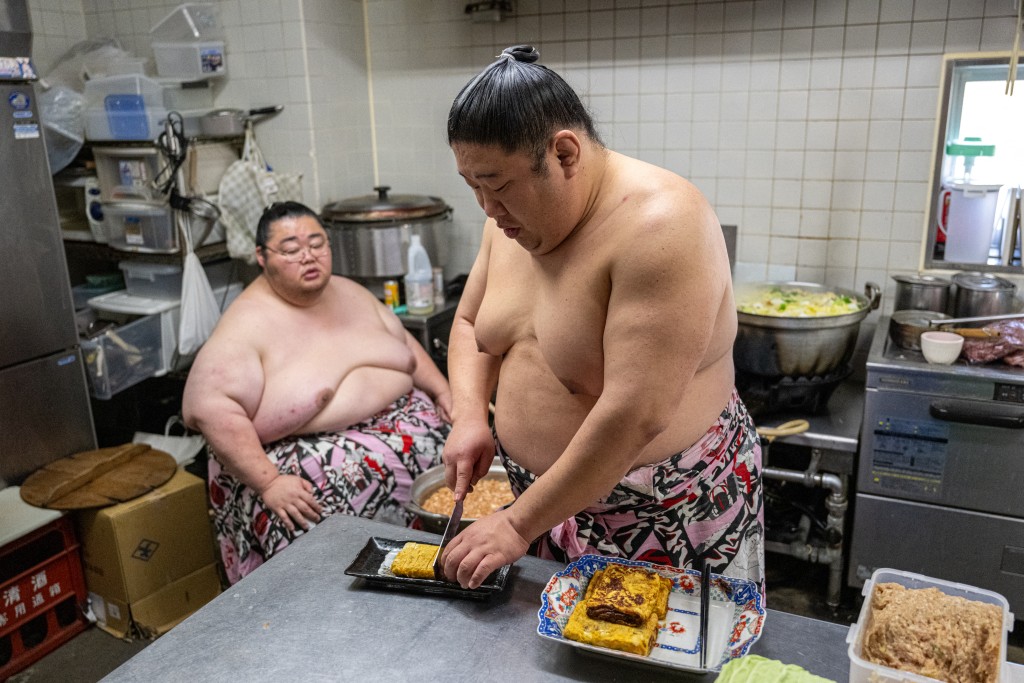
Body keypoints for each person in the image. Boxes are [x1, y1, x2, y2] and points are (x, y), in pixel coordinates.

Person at [438, 46, 764, 592]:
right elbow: (472, 325)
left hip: (661, 517)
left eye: (496, 186)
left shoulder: (662, 225)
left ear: (565, 154)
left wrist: (517, 524)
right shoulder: (510, 221)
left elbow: (636, 413)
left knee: (659, 673)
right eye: (473, 187)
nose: (487, 210)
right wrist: (469, 415)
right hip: (536, 508)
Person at [182, 201, 452, 583]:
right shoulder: (245, 325)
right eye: (291, 249)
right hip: (306, 460)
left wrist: (442, 391)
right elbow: (206, 407)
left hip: (404, 428)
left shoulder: (351, 292)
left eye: (317, 244)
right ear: (261, 256)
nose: (308, 257)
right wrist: (269, 482)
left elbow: (404, 345)